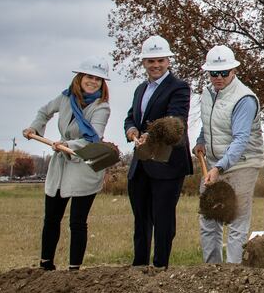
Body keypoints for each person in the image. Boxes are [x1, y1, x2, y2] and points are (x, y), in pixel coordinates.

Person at [23, 56, 112, 270]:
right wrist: (34, 128)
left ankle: (74, 271)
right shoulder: (65, 98)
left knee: (77, 222)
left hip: (85, 164)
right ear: (80, 78)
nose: (93, 82)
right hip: (61, 165)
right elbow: (44, 111)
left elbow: (94, 137)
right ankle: (46, 265)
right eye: (89, 77)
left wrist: (67, 144)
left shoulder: (102, 107)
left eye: (98, 79)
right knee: (51, 218)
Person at [123, 34, 192, 268]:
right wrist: (132, 130)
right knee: (141, 219)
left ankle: (161, 266)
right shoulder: (141, 89)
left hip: (168, 163)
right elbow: (131, 117)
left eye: (160, 60)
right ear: (143, 63)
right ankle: (139, 265)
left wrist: (149, 135)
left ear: (168, 61)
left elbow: (175, 120)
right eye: (151, 61)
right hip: (141, 161)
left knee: (163, 218)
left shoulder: (179, 88)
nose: (155, 65)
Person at [194, 45, 264, 264]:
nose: (218, 77)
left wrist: (219, 168)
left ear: (233, 71)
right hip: (216, 163)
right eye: (214, 73)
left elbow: (240, 140)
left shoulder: (244, 99)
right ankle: (212, 270)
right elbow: (209, 122)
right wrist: (200, 141)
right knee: (208, 217)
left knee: (236, 219)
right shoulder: (207, 93)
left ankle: (233, 273)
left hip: (242, 164)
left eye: (224, 73)